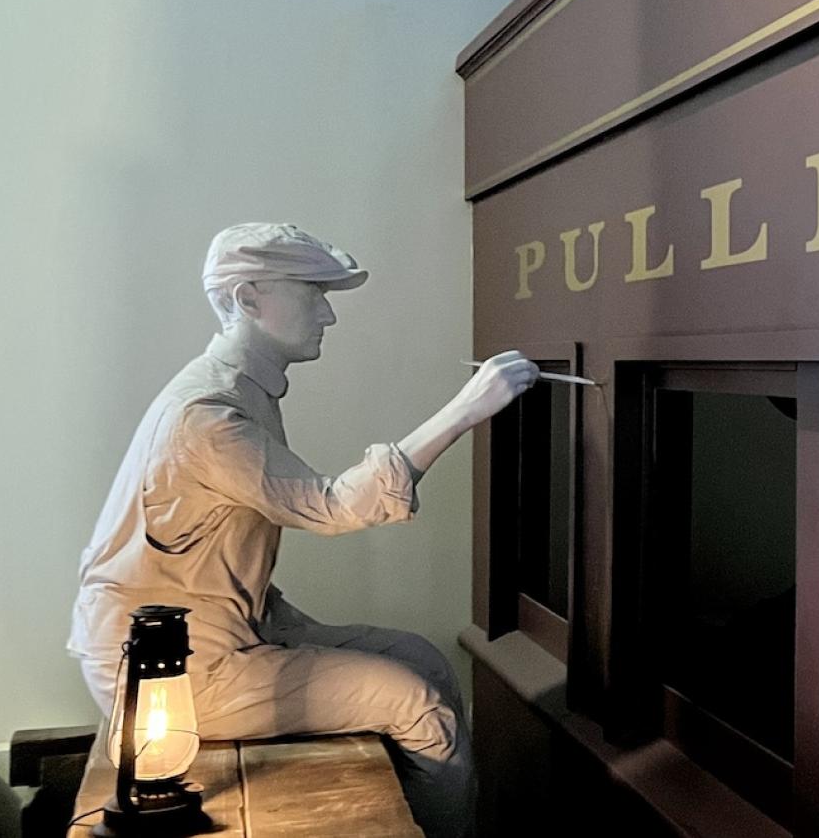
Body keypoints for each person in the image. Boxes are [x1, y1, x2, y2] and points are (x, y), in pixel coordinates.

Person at [66, 222, 537, 838]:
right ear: (248, 298)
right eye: (312, 291)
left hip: (228, 629)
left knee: (422, 659)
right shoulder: (208, 415)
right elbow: (333, 507)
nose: (328, 314)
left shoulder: (237, 392)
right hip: (172, 669)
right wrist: (467, 408)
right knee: (417, 705)